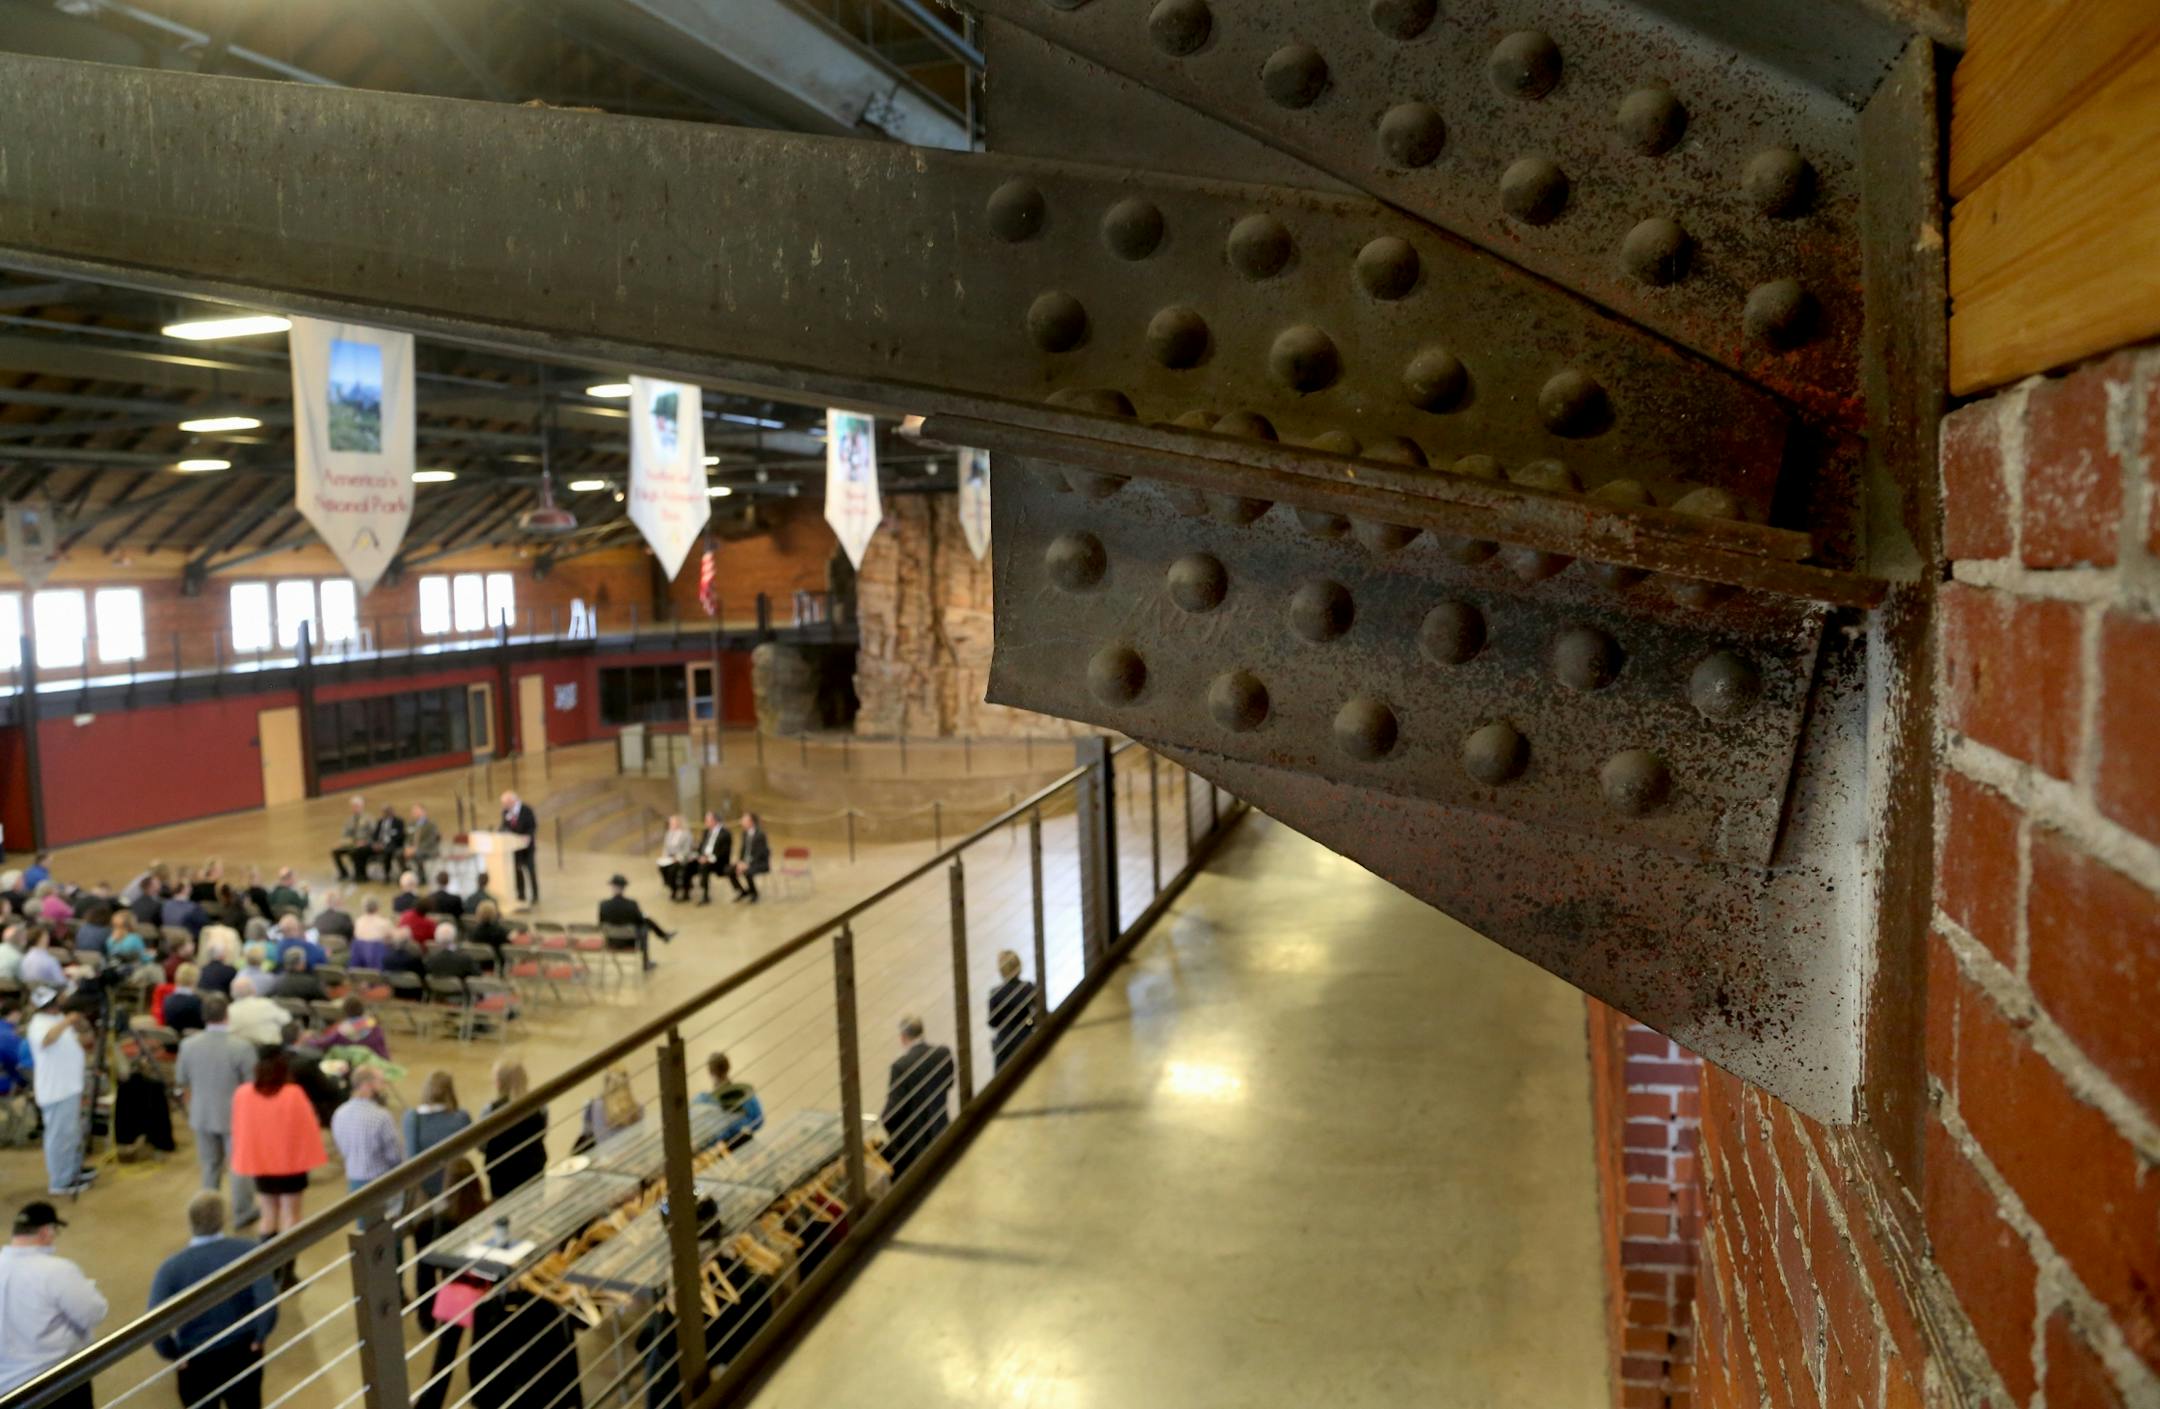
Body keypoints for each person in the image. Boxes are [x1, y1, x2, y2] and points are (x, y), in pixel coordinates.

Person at [149, 1192, 277, 1409]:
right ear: (222, 1219)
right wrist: (260, 1336)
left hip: (196, 1358)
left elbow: (154, 1322)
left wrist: (173, 1353)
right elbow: (267, 1301)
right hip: (242, 1349)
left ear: (190, 1222)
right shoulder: (248, 1250)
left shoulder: (170, 1268)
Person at [230, 1048, 327, 1282]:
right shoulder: (293, 1093)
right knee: (291, 1215)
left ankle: (270, 1272)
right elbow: (309, 1127)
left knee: (268, 1214)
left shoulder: (243, 1094)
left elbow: (240, 1129)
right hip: (291, 1164)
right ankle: (287, 1273)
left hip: (261, 1164)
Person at [0, 1200, 107, 1401]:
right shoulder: (57, 1270)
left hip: (7, 1389)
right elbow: (94, 1313)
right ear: (46, 1232)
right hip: (57, 1381)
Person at [175, 996, 261, 1230]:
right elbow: (254, 1085)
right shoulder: (241, 1047)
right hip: (235, 1116)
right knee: (239, 1166)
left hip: (201, 1114)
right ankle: (242, 1212)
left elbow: (182, 1080)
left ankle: (208, 1217)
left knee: (210, 1166)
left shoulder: (188, 1045)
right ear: (227, 1015)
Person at [29, 991, 95, 1197]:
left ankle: (73, 1170)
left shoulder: (56, 1019)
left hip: (69, 1087)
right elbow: (47, 1039)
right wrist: (68, 1020)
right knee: (59, 1138)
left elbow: (82, 1037)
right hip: (56, 1090)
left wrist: (77, 1023)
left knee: (72, 1134)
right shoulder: (38, 1024)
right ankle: (60, 1181)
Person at [881, 1015, 955, 1179]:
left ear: (902, 1037)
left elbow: (891, 1114)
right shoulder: (943, 1054)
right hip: (941, 1129)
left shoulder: (901, 1066)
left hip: (915, 1145)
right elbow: (949, 1084)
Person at [330, 1067, 404, 1222]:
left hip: (355, 1181)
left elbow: (341, 1147)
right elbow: (394, 1155)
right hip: (382, 1183)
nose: (383, 1088)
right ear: (367, 1085)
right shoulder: (381, 1117)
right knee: (391, 1232)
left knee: (365, 1233)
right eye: (380, 1083)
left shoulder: (339, 1114)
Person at [481, 1059, 547, 1199]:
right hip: (533, 1170)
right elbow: (543, 1132)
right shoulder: (539, 1106)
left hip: (501, 1175)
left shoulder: (490, 1111)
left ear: (498, 1084)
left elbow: (481, 1145)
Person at [597, 875, 673, 973]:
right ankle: (646, 962)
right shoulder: (631, 904)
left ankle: (664, 936)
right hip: (629, 941)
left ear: (612, 886)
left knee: (644, 923)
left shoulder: (603, 905)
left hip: (611, 942)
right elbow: (640, 921)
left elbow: (601, 923)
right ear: (624, 887)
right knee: (645, 928)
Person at [693, 1052, 764, 1147]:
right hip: (744, 1144)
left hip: (719, 1148)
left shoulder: (702, 1100)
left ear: (710, 1072)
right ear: (729, 1067)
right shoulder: (745, 1093)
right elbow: (758, 1121)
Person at [988, 949, 1038, 1072]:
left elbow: (993, 1023)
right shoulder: (1028, 988)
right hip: (1025, 1037)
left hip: (1005, 1043)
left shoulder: (996, 993)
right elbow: (1038, 1012)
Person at [305, 996, 390, 1061]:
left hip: (353, 1065)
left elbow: (322, 1044)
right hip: (377, 1064)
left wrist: (308, 1039)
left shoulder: (342, 1032)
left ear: (345, 1012)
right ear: (362, 1009)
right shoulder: (376, 1028)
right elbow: (383, 1052)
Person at [581, 1067, 642, 1147]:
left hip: (603, 1157)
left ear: (605, 1083)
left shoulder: (592, 1106)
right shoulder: (638, 1109)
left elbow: (586, 1134)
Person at [500, 791, 540, 905]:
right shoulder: (505, 812)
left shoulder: (526, 810)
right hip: (515, 848)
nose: (504, 806)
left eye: (505, 803)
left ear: (512, 801)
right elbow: (504, 826)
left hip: (527, 848)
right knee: (518, 872)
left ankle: (535, 894)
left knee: (530, 871)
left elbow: (533, 826)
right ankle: (521, 894)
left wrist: (528, 837)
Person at [224, 978, 287, 1049]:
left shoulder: (228, 1011)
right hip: (271, 1050)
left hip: (242, 1052)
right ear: (253, 989)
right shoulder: (266, 1003)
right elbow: (286, 1020)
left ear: (232, 993)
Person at [729, 812, 771, 904]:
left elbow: (759, 854)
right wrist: (740, 862)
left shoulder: (760, 835)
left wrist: (747, 865)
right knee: (729, 869)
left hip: (759, 863)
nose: (741, 822)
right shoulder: (744, 833)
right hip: (746, 862)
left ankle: (754, 893)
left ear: (751, 822)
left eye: (744, 820)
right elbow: (743, 850)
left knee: (748, 872)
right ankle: (742, 891)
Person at [331, 796, 373, 882]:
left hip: (364, 844)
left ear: (362, 807)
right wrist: (341, 843)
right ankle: (344, 873)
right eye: (353, 806)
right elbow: (345, 834)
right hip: (352, 843)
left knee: (356, 852)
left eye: (357, 806)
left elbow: (374, 834)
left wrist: (365, 842)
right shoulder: (349, 820)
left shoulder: (368, 819)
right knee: (335, 851)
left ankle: (359, 875)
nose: (355, 808)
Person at [694, 811, 731, 905]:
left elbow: (724, 852)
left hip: (718, 862)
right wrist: (700, 855)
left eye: (707, 820)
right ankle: (685, 889)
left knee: (704, 866)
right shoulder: (706, 831)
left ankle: (705, 895)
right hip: (704, 858)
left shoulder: (725, 833)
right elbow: (702, 846)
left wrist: (709, 858)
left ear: (714, 821)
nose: (705, 822)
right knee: (688, 863)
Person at [657, 815, 696, 902]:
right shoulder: (669, 833)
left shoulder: (686, 834)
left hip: (682, 858)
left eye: (672, 822)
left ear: (678, 823)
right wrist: (665, 856)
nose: (670, 824)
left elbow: (687, 850)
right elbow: (666, 847)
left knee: (673, 869)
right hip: (670, 858)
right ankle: (671, 886)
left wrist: (677, 857)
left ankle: (676, 888)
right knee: (662, 867)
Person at [349, 896, 393, 970]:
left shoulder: (358, 922)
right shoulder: (384, 923)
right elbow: (392, 940)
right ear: (377, 907)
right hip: (379, 961)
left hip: (359, 961)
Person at [465, 901, 511, 972]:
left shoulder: (473, 932)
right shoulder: (500, 931)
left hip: (479, 965)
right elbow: (507, 947)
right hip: (496, 965)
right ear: (494, 914)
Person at [164, 962, 207, 1035]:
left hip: (172, 1042)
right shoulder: (198, 1002)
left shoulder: (167, 1000)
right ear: (196, 979)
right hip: (194, 1041)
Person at [365, 804, 405, 883]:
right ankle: (361, 874)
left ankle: (387, 874)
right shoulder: (380, 822)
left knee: (387, 851)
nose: (386, 813)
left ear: (392, 812)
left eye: (388, 811)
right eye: (384, 812)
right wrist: (375, 843)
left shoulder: (399, 822)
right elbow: (375, 835)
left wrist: (385, 844)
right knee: (362, 850)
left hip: (392, 845)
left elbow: (401, 836)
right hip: (379, 845)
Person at [403, 806, 442, 878]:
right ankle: (406, 875)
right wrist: (407, 847)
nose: (415, 814)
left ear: (424, 812)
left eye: (417, 812)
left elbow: (430, 841)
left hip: (428, 849)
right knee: (399, 853)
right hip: (412, 849)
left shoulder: (431, 824)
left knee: (417, 854)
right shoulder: (411, 824)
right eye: (414, 812)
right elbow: (407, 838)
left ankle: (422, 877)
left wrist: (415, 849)